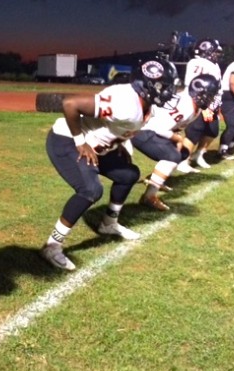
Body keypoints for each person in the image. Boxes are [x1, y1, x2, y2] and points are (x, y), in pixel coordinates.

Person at [40, 58, 179, 271]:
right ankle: (52, 245)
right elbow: (70, 104)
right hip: (67, 140)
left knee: (128, 174)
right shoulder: (125, 101)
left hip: (99, 146)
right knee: (90, 190)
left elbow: (120, 126)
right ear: (146, 84)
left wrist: (120, 143)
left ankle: (108, 224)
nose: (168, 91)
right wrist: (80, 142)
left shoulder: (146, 105)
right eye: (163, 86)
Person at [135, 74, 221, 211]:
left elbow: (172, 126)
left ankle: (155, 179)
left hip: (151, 128)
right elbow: (159, 127)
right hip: (141, 130)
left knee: (183, 152)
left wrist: (176, 138)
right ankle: (149, 197)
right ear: (200, 93)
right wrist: (177, 139)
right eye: (210, 95)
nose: (211, 99)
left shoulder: (194, 105)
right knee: (173, 156)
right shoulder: (186, 106)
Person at [180, 38, 224, 171]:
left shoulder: (212, 64)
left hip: (211, 103)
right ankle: (182, 160)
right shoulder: (197, 62)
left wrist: (216, 106)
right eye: (214, 51)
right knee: (194, 131)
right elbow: (195, 85)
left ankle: (198, 155)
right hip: (199, 102)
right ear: (207, 50)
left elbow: (217, 88)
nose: (217, 54)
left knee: (212, 130)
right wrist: (205, 106)